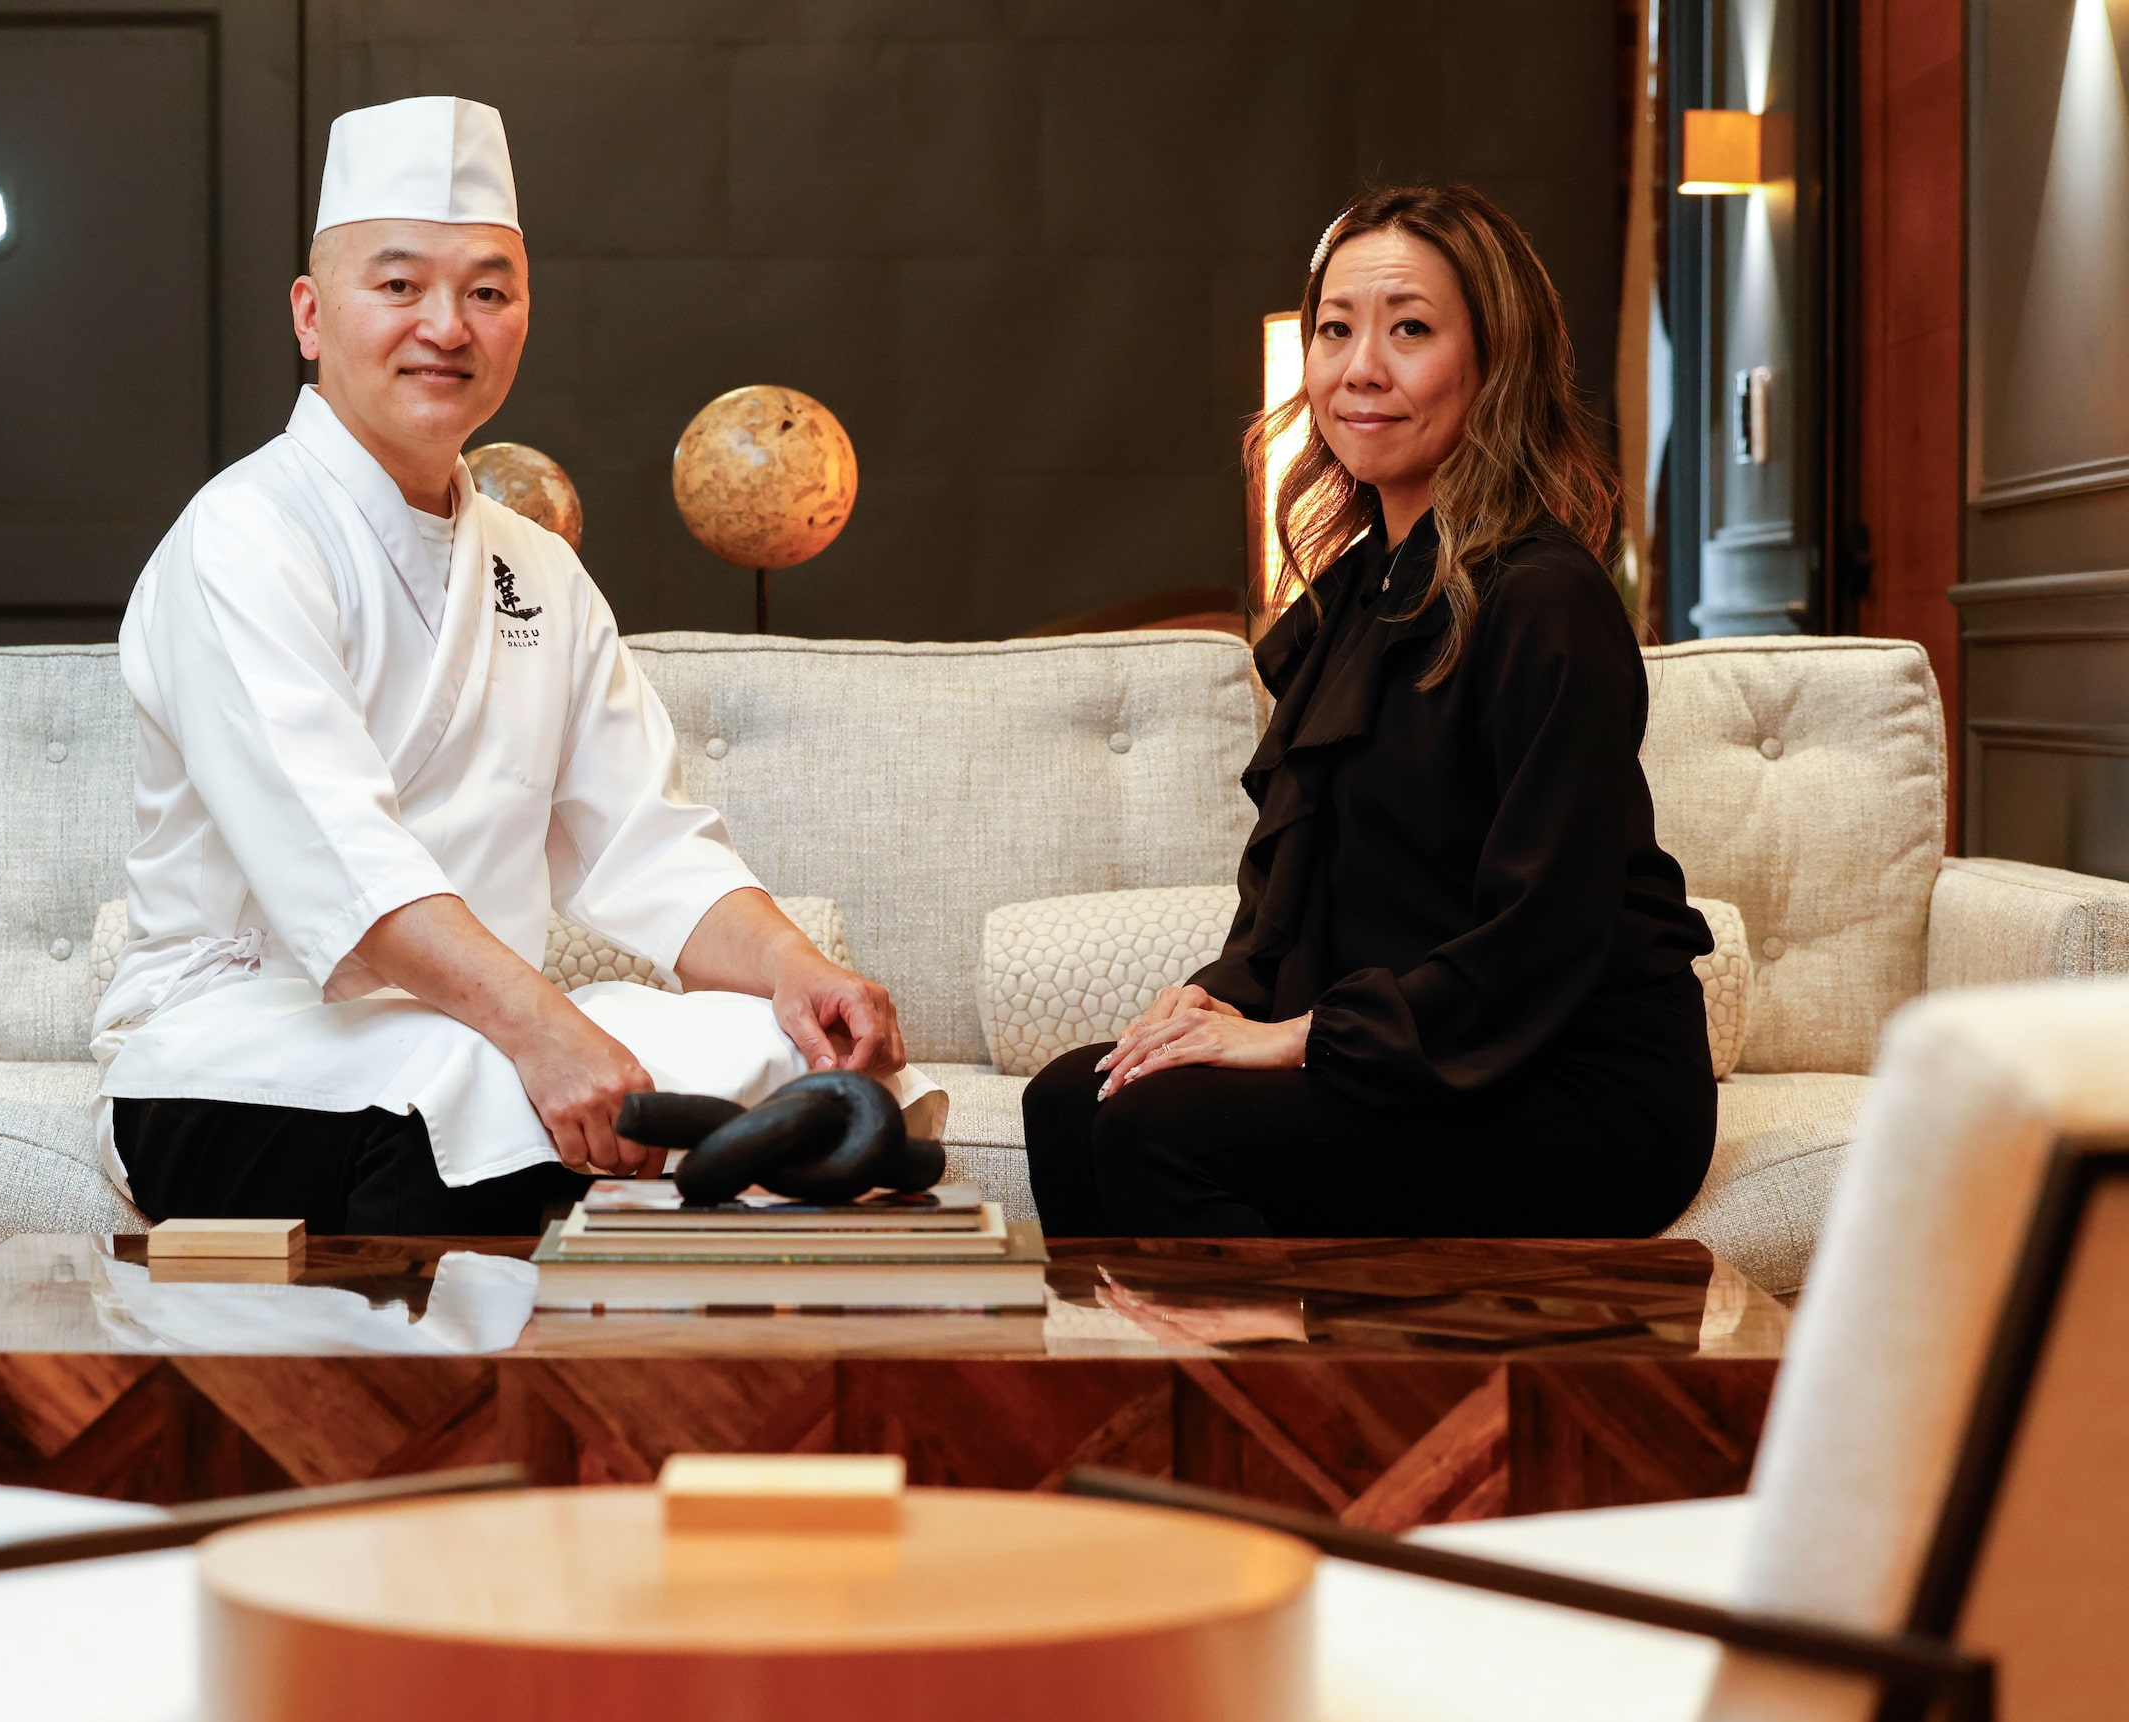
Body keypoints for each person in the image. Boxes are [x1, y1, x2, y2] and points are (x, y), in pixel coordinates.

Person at [94, 96, 919, 1234]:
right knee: (482, 1085)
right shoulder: (239, 537)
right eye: (398, 286)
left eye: (487, 291)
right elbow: (339, 858)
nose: (447, 326)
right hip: (236, 1052)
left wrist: (790, 965)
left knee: (785, 1060)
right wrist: (539, 1028)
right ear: (309, 314)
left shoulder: (536, 566)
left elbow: (647, 844)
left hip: (465, 1022)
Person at [1021, 183, 1717, 1239]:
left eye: (1409, 331)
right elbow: (1297, 890)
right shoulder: (1353, 596)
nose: (1360, 369)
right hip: (1409, 1051)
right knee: (1074, 1100)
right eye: (1335, 331)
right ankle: (1172, 1393)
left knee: (1157, 1129)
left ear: (1492, 362)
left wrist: (1300, 1039)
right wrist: (1215, 1001)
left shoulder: (1545, 598)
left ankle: (1300, 1406)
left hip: (1570, 1080)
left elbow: (1545, 932)